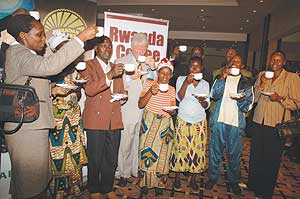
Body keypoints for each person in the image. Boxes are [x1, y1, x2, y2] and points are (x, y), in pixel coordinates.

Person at [3, 14, 96, 199]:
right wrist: (80, 39)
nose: (43, 39)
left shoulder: (24, 54)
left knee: (34, 180)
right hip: (26, 129)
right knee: (31, 184)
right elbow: (50, 66)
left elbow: (27, 86)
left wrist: (53, 90)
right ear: (23, 35)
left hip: (30, 126)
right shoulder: (18, 53)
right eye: (39, 35)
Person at [247, 51, 300, 199]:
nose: (275, 62)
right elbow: (255, 98)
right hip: (259, 121)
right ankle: (253, 184)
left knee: (271, 159)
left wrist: (280, 99)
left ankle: (265, 191)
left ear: (283, 62)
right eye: (273, 59)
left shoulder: (292, 78)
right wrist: (262, 83)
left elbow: (296, 103)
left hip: (276, 124)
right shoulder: (264, 74)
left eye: (278, 59)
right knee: (256, 155)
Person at [80, 36, 125, 199]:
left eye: (110, 46)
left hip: (114, 120)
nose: (108, 48)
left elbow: (120, 90)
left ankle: (107, 187)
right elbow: (90, 89)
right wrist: (109, 74)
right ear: (96, 48)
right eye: (104, 46)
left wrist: (123, 96)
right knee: (95, 158)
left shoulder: (116, 67)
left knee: (111, 158)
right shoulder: (88, 66)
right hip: (95, 120)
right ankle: (94, 189)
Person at [205, 55, 254, 195]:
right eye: (232, 61)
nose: (234, 63)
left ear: (242, 66)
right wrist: (221, 78)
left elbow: (248, 106)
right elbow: (214, 95)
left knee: (234, 155)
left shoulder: (247, 82)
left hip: (235, 124)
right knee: (215, 152)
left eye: (237, 61)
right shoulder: (221, 77)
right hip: (219, 120)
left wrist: (241, 100)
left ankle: (234, 181)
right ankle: (213, 178)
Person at [47, 30, 88, 199]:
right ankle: (60, 192)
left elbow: (77, 95)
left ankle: (75, 188)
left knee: (75, 155)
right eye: (64, 48)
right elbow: (43, 92)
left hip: (73, 118)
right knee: (59, 157)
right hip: (57, 120)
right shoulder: (49, 67)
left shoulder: (74, 70)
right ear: (57, 50)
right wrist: (55, 87)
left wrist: (77, 88)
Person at [115, 33, 156, 187]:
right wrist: (128, 79)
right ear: (131, 48)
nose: (141, 52)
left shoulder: (147, 63)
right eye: (138, 48)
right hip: (128, 108)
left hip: (145, 109)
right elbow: (115, 83)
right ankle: (124, 173)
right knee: (126, 142)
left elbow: (155, 83)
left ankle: (135, 169)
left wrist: (154, 68)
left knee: (140, 142)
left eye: (143, 49)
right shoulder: (121, 62)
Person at [169, 56, 210, 191]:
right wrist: (186, 83)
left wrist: (202, 100)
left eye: (197, 66)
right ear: (189, 68)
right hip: (183, 119)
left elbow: (206, 105)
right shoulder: (181, 79)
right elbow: (179, 97)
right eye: (192, 66)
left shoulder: (205, 84)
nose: (194, 68)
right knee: (180, 149)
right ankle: (177, 177)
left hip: (199, 122)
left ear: (201, 68)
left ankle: (193, 179)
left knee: (197, 150)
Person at [138, 58, 176, 196]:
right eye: (162, 73)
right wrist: (150, 92)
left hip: (165, 125)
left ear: (171, 75)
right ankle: (145, 183)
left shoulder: (172, 89)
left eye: (168, 74)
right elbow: (141, 104)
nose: (165, 76)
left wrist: (172, 111)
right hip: (149, 123)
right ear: (157, 73)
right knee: (146, 152)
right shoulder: (148, 83)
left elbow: (173, 107)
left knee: (162, 156)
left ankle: (159, 183)